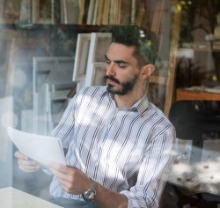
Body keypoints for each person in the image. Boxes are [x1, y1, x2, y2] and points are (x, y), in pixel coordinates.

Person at [15, 26, 176, 208]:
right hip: (57, 203)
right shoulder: (86, 98)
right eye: (108, 62)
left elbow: (145, 202)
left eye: (120, 65)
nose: (109, 71)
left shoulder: (160, 130)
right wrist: (36, 159)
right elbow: (57, 147)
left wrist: (89, 188)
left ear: (146, 71)